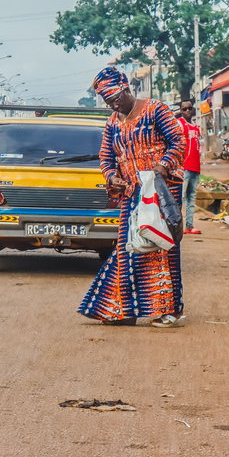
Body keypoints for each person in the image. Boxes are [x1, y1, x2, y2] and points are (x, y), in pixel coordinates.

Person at [79, 67, 187, 328]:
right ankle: (123, 310)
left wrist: (162, 166)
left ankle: (168, 310)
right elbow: (106, 157)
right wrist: (111, 176)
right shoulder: (113, 122)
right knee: (128, 250)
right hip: (131, 193)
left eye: (116, 98)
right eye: (108, 102)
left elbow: (178, 142)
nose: (113, 105)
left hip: (161, 192)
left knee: (160, 248)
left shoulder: (155, 110)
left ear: (127, 89)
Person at [177, 99, 202, 235]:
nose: (187, 111)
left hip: (195, 167)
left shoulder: (195, 126)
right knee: (180, 198)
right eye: (184, 109)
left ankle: (189, 225)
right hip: (184, 167)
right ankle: (177, 226)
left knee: (191, 198)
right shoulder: (179, 124)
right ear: (181, 110)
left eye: (189, 108)